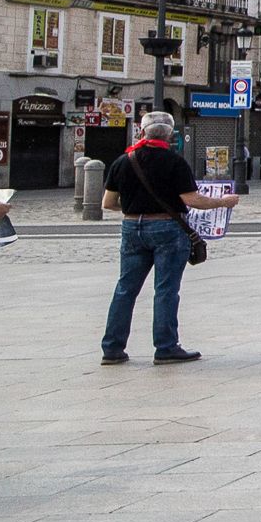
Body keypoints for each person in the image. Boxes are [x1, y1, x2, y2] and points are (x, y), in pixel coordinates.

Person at [99, 111, 240, 365]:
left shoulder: (123, 161)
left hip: (132, 228)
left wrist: (135, 207)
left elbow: (108, 203)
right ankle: (165, 347)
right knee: (165, 289)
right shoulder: (174, 162)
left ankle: (112, 349)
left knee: (125, 288)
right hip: (167, 229)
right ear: (170, 136)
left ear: (142, 132)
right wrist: (223, 201)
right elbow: (191, 200)